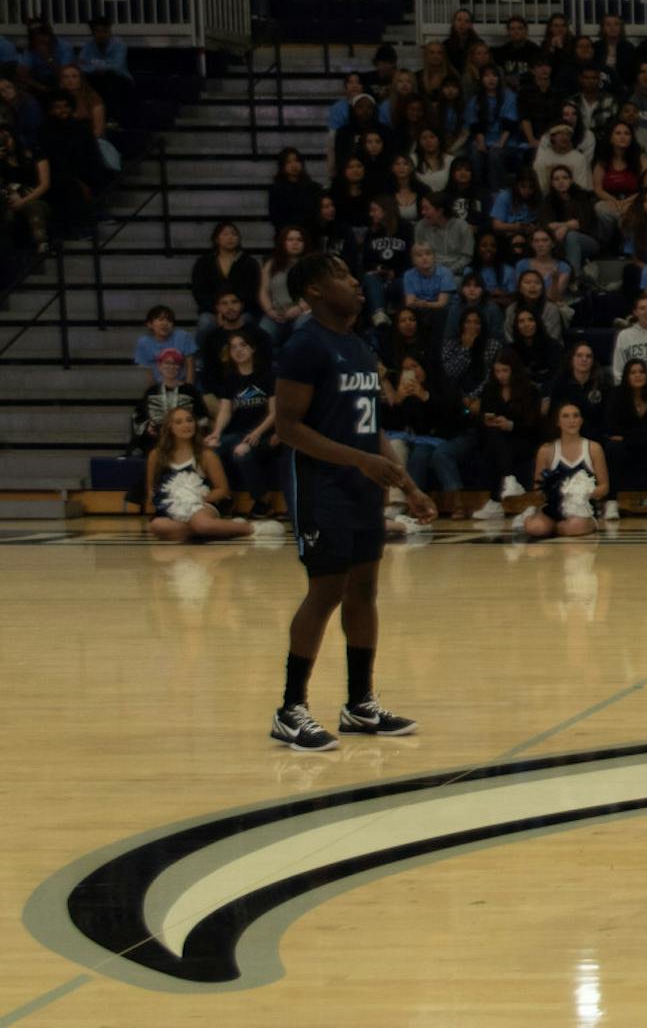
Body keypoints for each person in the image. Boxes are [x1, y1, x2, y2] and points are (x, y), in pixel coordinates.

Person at [261, 252, 433, 751]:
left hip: (363, 489)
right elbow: (288, 428)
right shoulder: (304, 346)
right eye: (340, 275)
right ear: (314, 291)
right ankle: (291, 709)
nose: (355, 282)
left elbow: (369, 427)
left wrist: (408, 485)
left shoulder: (358, 345)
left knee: (364, 591)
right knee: (326, 591)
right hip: (322, 488)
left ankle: (360, 704)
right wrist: (359, 462)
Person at [143, 404, 257, 543]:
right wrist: (164, 500)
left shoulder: (206, 455)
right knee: (157, 526)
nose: (186, 425)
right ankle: (217, 530)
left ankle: (250, 528)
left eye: (189, 420)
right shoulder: (156, 455)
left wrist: (193, 500)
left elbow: (222, 490)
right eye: (178, 422)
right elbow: (151, 488)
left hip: (202, 505)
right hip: (172, 507)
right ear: (169, 428)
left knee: (201, 523)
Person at [517, 402, 608, 540]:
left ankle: (561, 527)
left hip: (582, 510)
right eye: (566, 416)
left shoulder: (593, 448)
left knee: (574, 527)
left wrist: (581, 493)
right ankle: (530, 518)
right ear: (558, 422)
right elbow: (537, 488)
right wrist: (555, 492)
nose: (572, 420)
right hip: (553, 509)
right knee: (536, 528)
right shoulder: (546, 450)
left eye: (576, 416)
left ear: (581, 420)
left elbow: (604, 487)